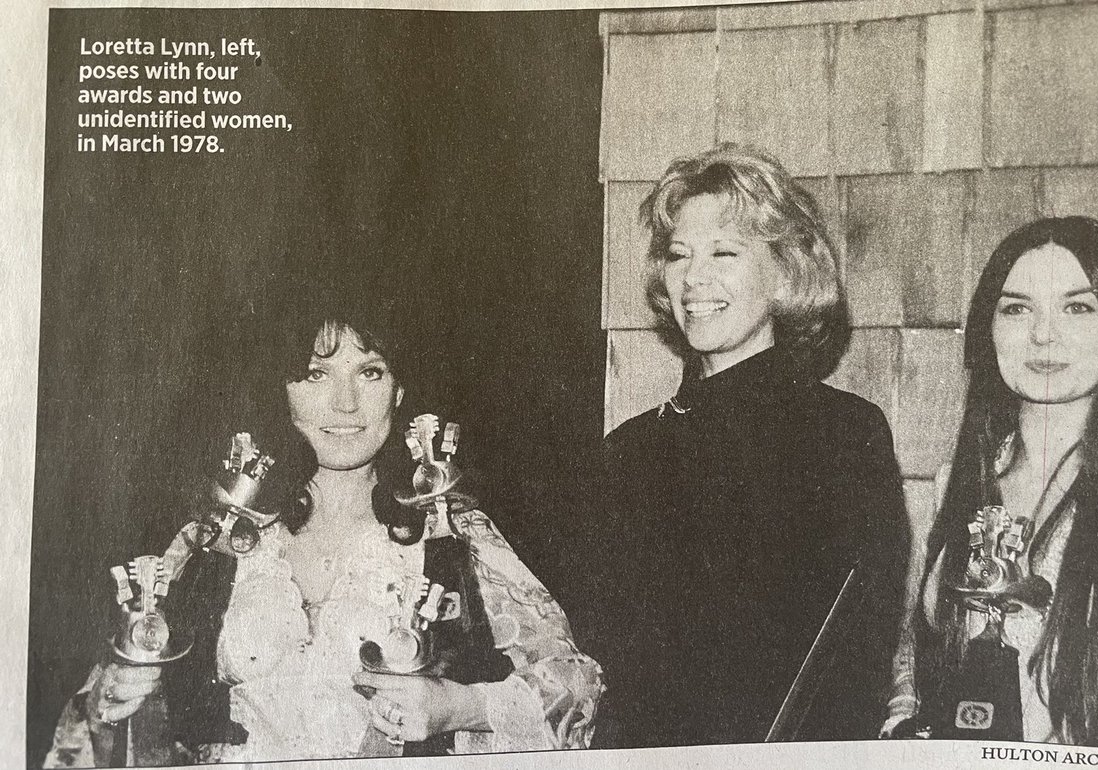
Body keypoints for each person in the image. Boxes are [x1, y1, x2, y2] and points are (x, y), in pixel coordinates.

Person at [44, 287, 603, 765]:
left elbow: (576, 688)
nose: (345, 404)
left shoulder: (450, 533)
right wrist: (114, 702)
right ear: (283, 390)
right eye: (316, 374)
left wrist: (456, 707)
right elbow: (103, 706)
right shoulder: (221, 536)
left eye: (370, 372)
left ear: (400, 390)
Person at [574, 144, 911, 747]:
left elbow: (856, 662)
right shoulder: (628, 452)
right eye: (679, 254)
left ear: (784, 273)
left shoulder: (844, 434)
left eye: (724, 252)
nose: (693, 278)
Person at [882, 217, 1098, 746]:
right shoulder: (958, 480)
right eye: (1016, 308)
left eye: (1077, 307)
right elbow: (914, 653)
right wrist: (903, 725)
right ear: (986, 330)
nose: (1043, 334)